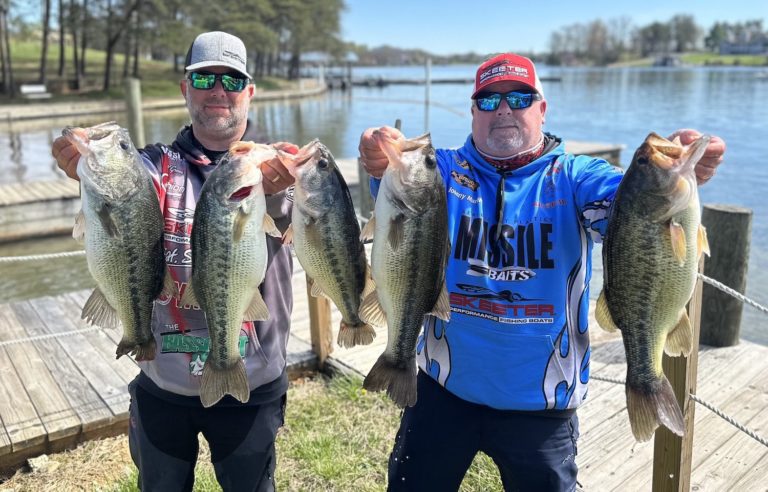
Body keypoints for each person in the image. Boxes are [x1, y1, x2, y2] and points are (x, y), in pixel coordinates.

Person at [358, 53, 726, 491]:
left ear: (542, 109)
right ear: (473, 111)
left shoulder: (576, 177)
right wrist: (377, 159)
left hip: (543, 405)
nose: (504, 109)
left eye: (519, 97)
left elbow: (629, 208)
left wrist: (672, 178)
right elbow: (399, 193)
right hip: (443, 389)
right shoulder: (441, 171)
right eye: (489, 100)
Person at [52, 31, 297, 491]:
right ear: (185, 89)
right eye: (204, 78)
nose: (218, 90)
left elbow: (312, 214)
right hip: (163, 381)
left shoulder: (274, 168)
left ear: (250, 92)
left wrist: (289, 185)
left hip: (252, 379)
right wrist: (82, 165)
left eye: (231, 80)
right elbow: (124, 186)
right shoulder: (152, 164)